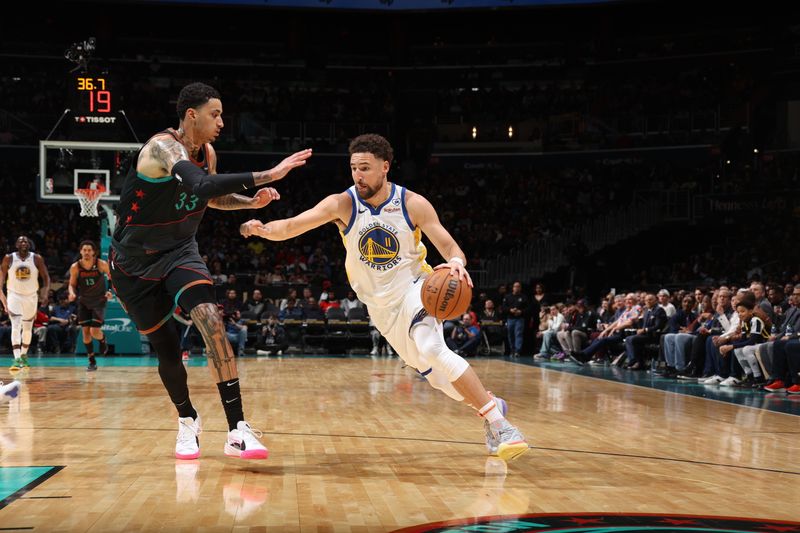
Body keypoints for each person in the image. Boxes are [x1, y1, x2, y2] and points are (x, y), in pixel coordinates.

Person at [241, 133, 528, 462]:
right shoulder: (343, 204)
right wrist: (263, 229)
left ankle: (502, 425)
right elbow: (292, 226)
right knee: (437, 380)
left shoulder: (412, 203)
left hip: (416, 289)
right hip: (380, 308)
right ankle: (490, 403)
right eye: (353, 168)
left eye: (365, 168)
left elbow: (449, 246)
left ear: (385, 167)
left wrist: (457, 263)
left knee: (434, 348)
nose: (358, 175)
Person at [108, 81, 312, 461]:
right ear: (191, 115)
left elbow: (210, 195)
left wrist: (250, 202)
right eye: (215, 114)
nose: (221, 121)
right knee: (167, 349)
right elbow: (199, 182)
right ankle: (187, 419)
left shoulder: (209, 152)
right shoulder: (161, 147)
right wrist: (268, 174)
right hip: (133, 263)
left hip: (180, 251)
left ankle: (237, 429)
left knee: (210, 319)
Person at [0, 235, 50, 371]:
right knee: (16, 324)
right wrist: (3, 299)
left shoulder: (37, 258)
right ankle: (16, 359)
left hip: (31, 296)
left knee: (27, 328)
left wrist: (45, 292)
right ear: (16, 245)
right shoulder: (9, 258)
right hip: (14, 295)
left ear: (29, 245)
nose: (23, 242)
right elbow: (1, 279)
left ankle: (23, 356)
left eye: (26, 241)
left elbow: (46, 277)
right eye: (21, 241)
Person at [68, 240, 112, 371]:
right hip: (84, 302)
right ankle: (92, 361)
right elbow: (72, 284)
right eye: (84, 250)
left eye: (89, 250)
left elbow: (111, 276)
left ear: (93, 252)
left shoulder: (101, 264)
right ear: (81, 251)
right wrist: (71, 293)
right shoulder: (75, 267)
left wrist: (109, 291)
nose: (87, 252)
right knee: (85, 333)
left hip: (99, 301)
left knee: (94, 331)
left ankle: (102, 340)